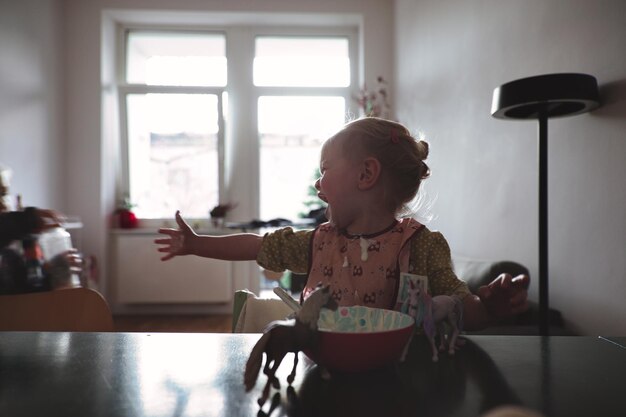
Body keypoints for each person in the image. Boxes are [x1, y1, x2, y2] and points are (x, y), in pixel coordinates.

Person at [155, 117, 529, 331]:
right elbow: (256, 245)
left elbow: (463, 309)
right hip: (324, 374)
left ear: (366, 174)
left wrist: (488, 305)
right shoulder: (317, 242)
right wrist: (196, 244)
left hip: (399, 385)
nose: (318, 184)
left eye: (325, 170)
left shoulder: (423, 246)